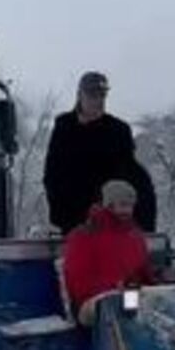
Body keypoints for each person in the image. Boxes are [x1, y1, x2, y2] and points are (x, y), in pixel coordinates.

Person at [44, 71, 157, 234]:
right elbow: (53, 175)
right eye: (92, 95)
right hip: (74, 218)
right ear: (79, 95)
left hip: (113, 216)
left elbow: (129, 174)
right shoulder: (64, 127)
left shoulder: (118, 130)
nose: (98, 101)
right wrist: (65, 219)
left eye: (102, 96)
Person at [62, 180, 154, 321]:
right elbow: (78, 281)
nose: (127, 210)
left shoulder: (135, 236)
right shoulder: (84, 236)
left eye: (130, 206)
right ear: (109, 205)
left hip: (129, 298)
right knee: (116, 306)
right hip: (92, 302)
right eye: (123, 205)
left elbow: (143, 272)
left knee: (153, 306)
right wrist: (113, 288)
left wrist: (157, 279)